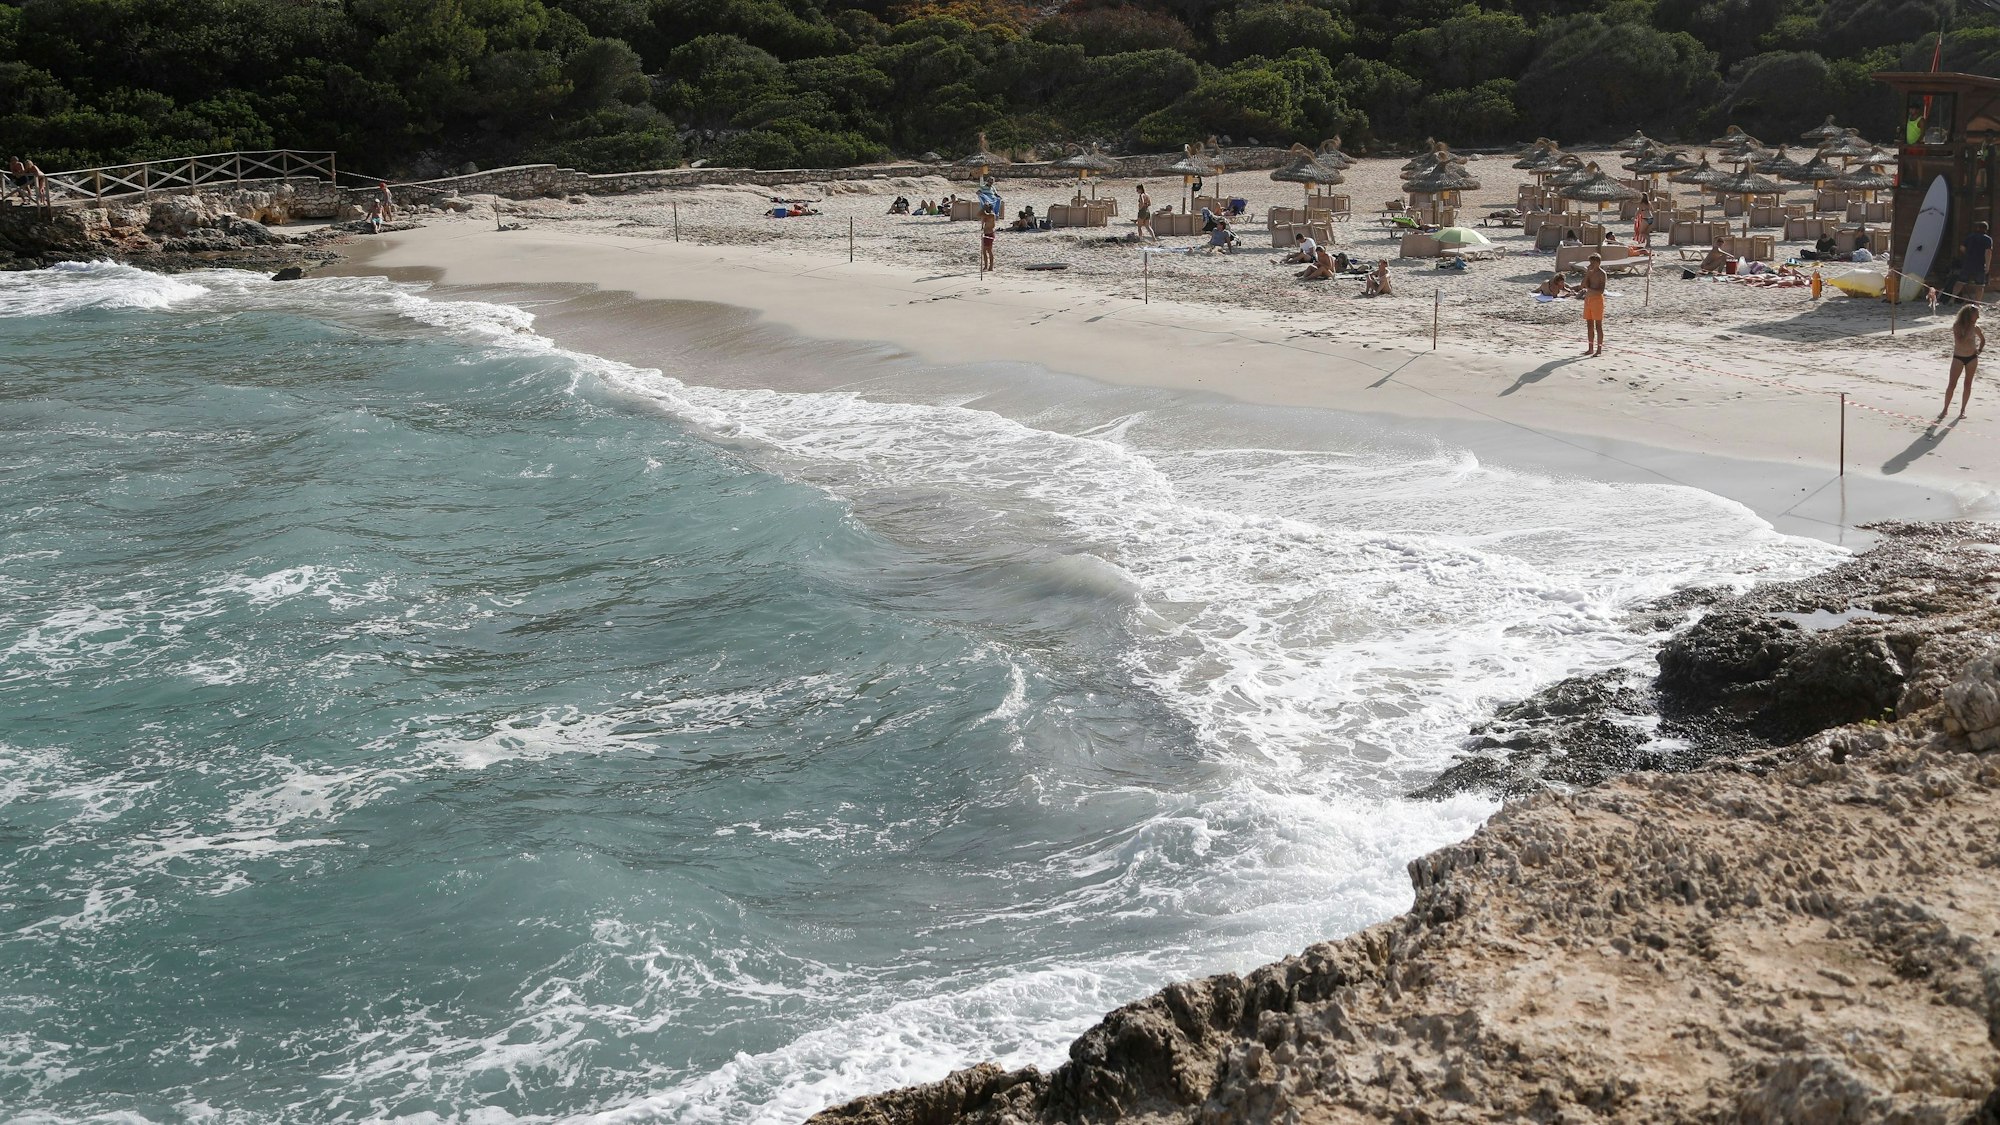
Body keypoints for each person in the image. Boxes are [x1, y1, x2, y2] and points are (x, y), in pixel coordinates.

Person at [1943, 302, 1984, 419]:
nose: (1978, 317)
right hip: (1958, 357)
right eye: (1976, 315)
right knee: (1952, 384)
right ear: (1969, 315)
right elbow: (1960, 341)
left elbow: (1983, 339)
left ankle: (1962, 410)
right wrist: (1969, 330)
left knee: (1967, 384)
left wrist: (1979, 350)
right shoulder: (1957, 326)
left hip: (1972, 358)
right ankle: (1945, 409)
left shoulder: (1976, 328)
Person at [1581, 253, 1608, 356]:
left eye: (1593, 263)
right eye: (1590, 262)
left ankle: (1599, 349)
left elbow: (1601, 291)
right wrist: (1587, 273)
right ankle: (1590, 348)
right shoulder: (1590, 272)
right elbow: (1582, 285)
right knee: (1589, 325)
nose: (1591, 264)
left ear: (1598, 263)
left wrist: (1589, 289)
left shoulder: (1602, 274)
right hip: (1588, 300)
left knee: (1598, 326)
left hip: (1597, 300)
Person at [980, 205, 997, 271]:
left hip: (990, 233)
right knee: (984, 251)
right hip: (985, 233)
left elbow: (986, 215)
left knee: (989, 250)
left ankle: (991, 266)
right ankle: (985, 266)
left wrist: (983, 209)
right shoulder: (985, 215)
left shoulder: (992, 215)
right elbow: (978, 214)